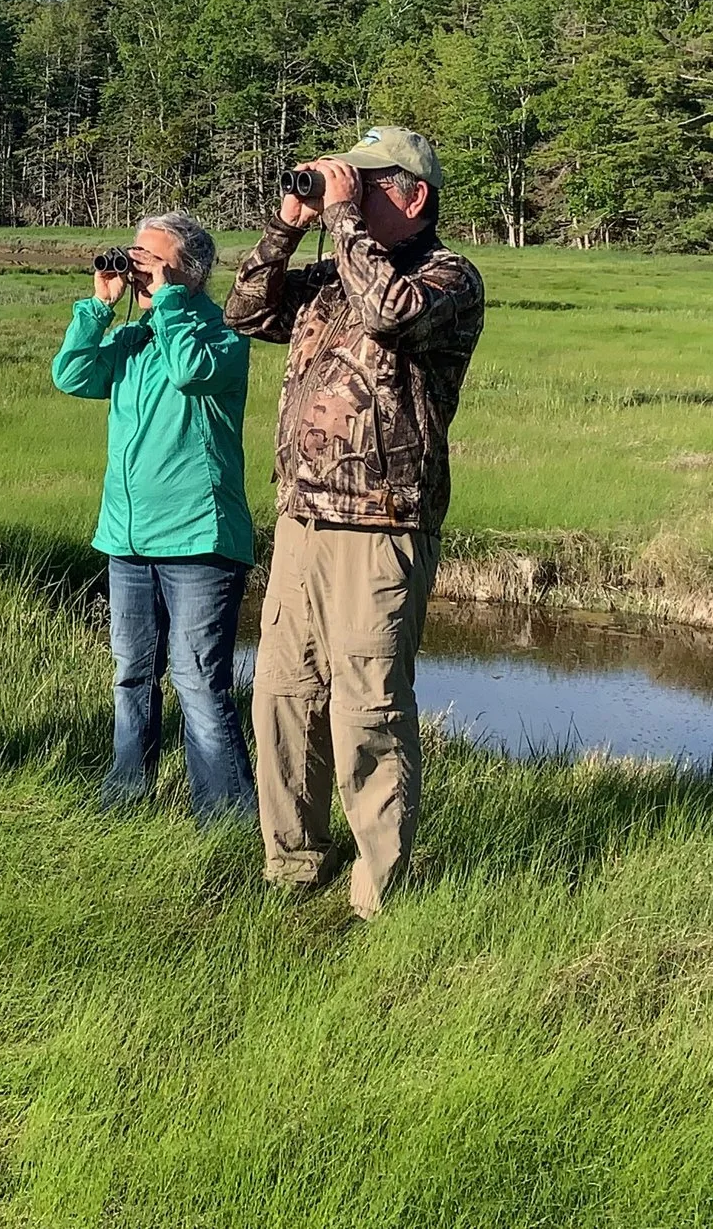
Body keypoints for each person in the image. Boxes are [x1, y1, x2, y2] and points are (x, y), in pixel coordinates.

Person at [224, 127, 485, 917]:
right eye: (353, 183)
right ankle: (293, 865)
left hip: (382, 525)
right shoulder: (334, 275)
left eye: (371, 185)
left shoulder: (447, 276)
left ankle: (381, 893)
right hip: (303, 519)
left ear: (415, 195)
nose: (356, 195)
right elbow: (243, 312)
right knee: (282, 698)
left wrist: (345, 222)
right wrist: (288, 225)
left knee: (367, 708)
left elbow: (388, 315)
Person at [49, 210, 257, 822]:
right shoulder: (134, 337)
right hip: (129, 536)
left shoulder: (222, 329)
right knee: (131, 673)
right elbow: (73, 375)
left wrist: (167, 301)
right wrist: (99, 309)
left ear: (188, 272)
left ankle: (224, 813)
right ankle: (126, 794)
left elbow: (193, 372)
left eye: (151, 259)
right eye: (134, 256)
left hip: (198, 536)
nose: (136, 266)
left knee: (196, 682)